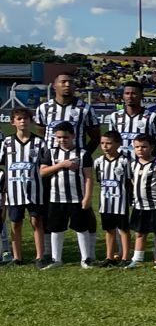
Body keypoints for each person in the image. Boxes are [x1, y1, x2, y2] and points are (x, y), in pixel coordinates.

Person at [41, 121, 95, 268]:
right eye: (58, 137)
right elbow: (42, 172)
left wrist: (88, 197)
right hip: (56, 197)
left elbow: (88, 177)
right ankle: (56, 259)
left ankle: (85, 259)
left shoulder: (83, 153)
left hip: (77, 197)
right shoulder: (51, 152)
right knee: (56, 228)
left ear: (73, 136)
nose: (62, 140)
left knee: (81, 228)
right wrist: (61, 165)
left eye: (65, 137)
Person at [2, 103, 47, 268]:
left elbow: (45, 165)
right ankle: (17, 257)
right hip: (14, 192)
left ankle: (40, 256)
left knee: (36, 222)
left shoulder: (39, 142)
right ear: (12, 122)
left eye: (26, 119)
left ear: (31, 121)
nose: (23, 122)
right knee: (15, 223)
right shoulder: (6, 143)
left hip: (35, 190)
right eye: (19, 119)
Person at [127, 133, 156, 269]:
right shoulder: (133, 164)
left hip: (155, 204)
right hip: (139, 205)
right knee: (140, 232)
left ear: (152, 147)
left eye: (144, 147)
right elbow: (132, 182)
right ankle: (137, 259)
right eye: (137, 147)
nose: (140, 149)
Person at [93, 131, 133, 268]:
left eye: (109, 143)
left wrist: (131, 198)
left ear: (118, 144)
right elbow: (100, 180)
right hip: (105, 202)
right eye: (102, 143)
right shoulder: (98, 162)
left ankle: (126, 256)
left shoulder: (124, 161)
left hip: (120, 201)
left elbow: (130, 181)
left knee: (123, 229)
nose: (105, 146)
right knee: (109, 230)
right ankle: (109, 256)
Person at [34, 70, 99, 151]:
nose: (67, 85)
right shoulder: (43, 108)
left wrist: (85, 155)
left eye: (71, 82)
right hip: (50, 160)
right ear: (54, 86)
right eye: (63, 82)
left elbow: (95, 138)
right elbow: (41, 132)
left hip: (76, 159)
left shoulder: (85, 108)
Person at [111, 82, 156, 149]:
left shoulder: (153, 117)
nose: (130, 96)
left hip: (144, 159)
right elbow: (111, 141)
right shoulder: (115, 116)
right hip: (121, 158)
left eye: (134, 93)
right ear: (123, 96)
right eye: (127, 93)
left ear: (142, 96)